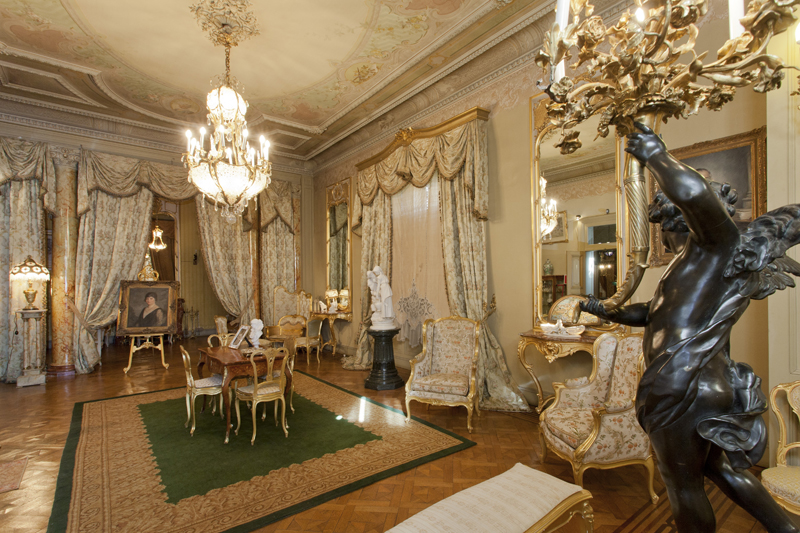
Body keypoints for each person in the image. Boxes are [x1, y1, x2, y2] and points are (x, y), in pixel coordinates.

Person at [580, 123, 800, 533]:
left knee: (682, 487)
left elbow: (696, 194)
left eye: (666, 218)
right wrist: (609, 312)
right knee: (717, 471)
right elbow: (657, 313)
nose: (661, 228)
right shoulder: (691, 265)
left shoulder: (716, 246)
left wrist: (655, 155)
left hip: (684, 382)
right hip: (703, 381)